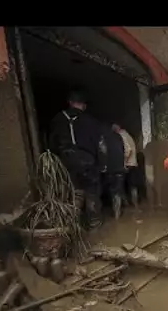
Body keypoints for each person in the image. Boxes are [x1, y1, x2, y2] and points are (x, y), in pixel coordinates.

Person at [49, 91, 107, 230]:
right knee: (92, 194)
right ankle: (95, 228)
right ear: (84, 106)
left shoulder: (57, 120)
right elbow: (102, 146)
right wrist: (102, 165)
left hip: (67, 163)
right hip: (88, 162)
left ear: (70, 102)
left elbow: (51, 144)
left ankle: (72, 229)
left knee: (73, 195)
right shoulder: (92, 121)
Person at [111, 124, 139, 210]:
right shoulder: (127, 134)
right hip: (133, 163)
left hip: (128, 164)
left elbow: (128, 149)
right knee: (132, 185)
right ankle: (135, 205)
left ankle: (126, 204)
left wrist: (124, 162)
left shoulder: (121, 135)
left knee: (120, 185)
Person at [102, 124, 127, 219]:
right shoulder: (119, 137)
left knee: (112, 191)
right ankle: (117, 213)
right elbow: (124, 151)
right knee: (117, 191)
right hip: (120, 168)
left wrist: (103, 165)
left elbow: (102, 151)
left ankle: (113, 211)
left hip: (110, 169)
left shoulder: (104, 138)